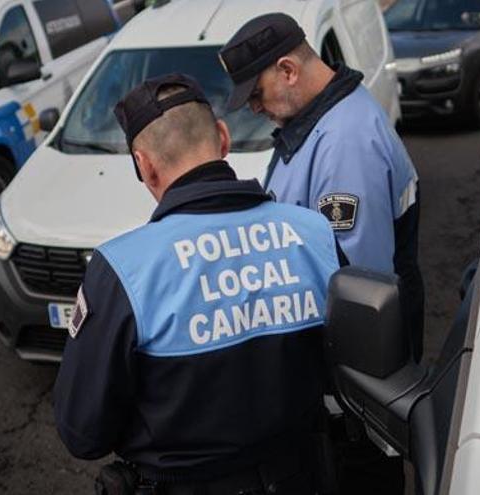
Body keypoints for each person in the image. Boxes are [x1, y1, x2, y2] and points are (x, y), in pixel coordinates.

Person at [53, 73, 344, 494]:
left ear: (144, 164)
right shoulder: (314, 234)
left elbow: (83, 431)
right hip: (304, 477)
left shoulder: (123, 268)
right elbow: (353, 366)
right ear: (222, 138)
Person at [219, 13, 425, 364]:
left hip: (361, 357)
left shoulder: (346, 143)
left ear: (288, 70)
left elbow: (357, 288)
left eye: (256, 94)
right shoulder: (318, 122)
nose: (253, 108)